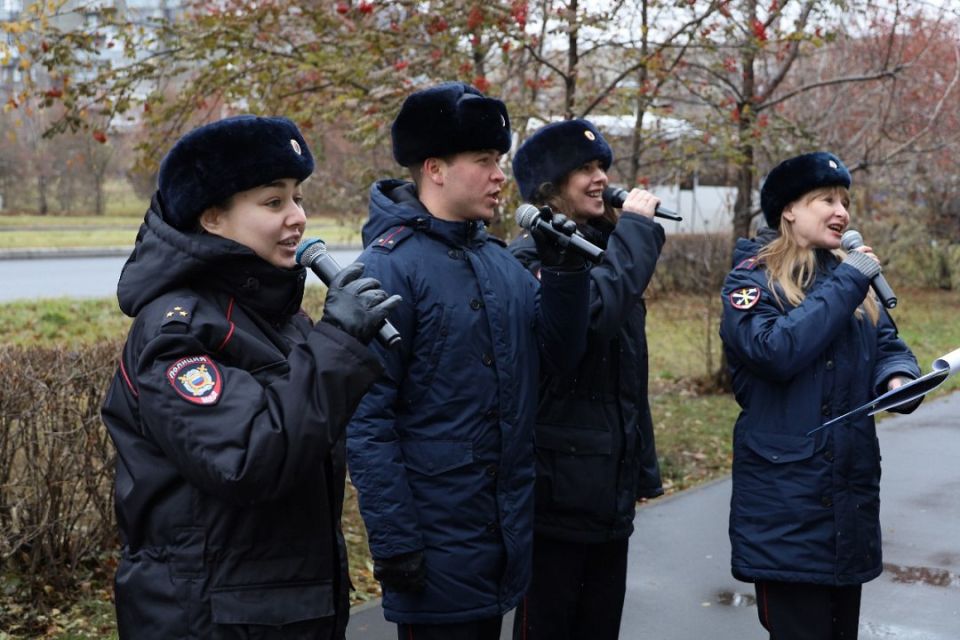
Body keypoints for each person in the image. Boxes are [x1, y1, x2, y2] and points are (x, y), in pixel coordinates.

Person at [100, 115, 400, 639]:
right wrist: (339, 344)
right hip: (209, 619)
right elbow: (245, 458)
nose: (298, 217)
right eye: (273, 202)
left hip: (282, 612)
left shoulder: (276, 317)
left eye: (298, 197)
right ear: (212, 217)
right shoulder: (177, 331)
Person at [345, 82, 591, 639]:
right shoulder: (386, 270)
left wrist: (566, 276)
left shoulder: (499, 264)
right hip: (433, 545)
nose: (500, 175)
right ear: (434, 168)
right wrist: (396, 541)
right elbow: (367, 421)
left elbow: (560, 359)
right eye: (484, 161)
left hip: (498, 539)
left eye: (498, 160)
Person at [719, 151, 923, 640]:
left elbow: (889, 347)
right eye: (826, 200)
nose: (842, 212)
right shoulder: (750, 280)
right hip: (786, 510)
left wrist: (899, 380)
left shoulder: (851, 282)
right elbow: (776, 351)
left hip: (847, 504)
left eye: (845, 201)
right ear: (789, 210)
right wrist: (851, 279)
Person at [507, 119, 666, 640]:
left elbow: (626, 380)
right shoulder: (529, 258)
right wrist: (637, 233)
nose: (600, 178)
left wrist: (640, 467)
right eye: (584, 169)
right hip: (555, 498)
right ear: (550, 189)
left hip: (607, 493)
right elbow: (591, 320)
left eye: (602, 167)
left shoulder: (606, 247)